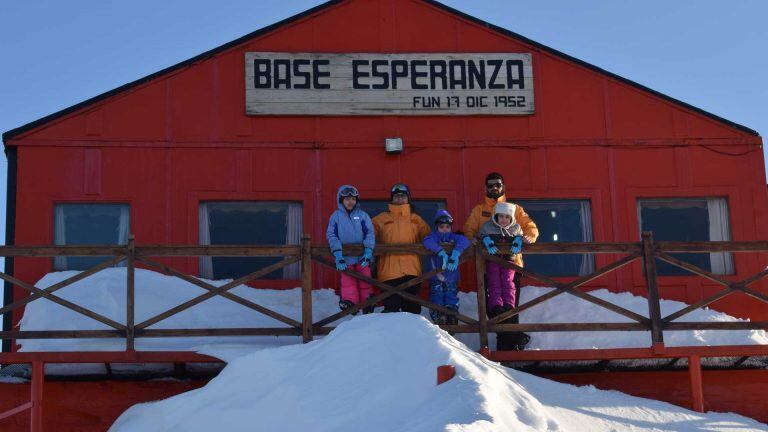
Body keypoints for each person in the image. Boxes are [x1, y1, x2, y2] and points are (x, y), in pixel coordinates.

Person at [463, 172, 538, 350]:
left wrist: (527, 238)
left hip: (512, 264)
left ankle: (507, 351)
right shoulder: (479, 210)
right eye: (490, 185)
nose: (494, 188)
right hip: (488, 266)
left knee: (510, 307)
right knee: (494, 308)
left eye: (498, 184)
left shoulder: (515, 209)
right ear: (485, 188)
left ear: (504, 186)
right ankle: (516, 338)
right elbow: (469, 230)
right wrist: (473, 240)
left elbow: (530, 228)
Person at [372, 183, 431, 314]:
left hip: (412, 271)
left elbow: (430, 238)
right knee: (391, 311)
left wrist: (448, 238)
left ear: (408, 198)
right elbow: (365, 235)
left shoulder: (416, 219)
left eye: (403, 196)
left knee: (412, 311)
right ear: (392, 199)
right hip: (388, 273)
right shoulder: (381, 219)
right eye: (396, 196)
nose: (400, 198)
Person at [326, 184, 376, 314]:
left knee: (365, 279)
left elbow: (369, 233)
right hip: (345, 257)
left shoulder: (362, 216)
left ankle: (367, 302)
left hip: (362, 256)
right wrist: (337, 254)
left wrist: (368, 250)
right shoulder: (335, 216)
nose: (350, 202)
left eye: (353, 199)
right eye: (347, 199)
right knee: (348, 281)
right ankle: (351, 303)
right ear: (341, 200)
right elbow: (332, 235)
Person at [422, 209, 470, 325]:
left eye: (447, 227)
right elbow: (427, 241)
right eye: (442, 226)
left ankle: (452, 316)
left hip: (451, 277)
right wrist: (441, 252)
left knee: (451, 296)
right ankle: (438, 316)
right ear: (436, 227)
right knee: (437, 295)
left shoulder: (453, 237)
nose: (445, 229)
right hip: (436, 276)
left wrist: (455, 253)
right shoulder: (433, 236)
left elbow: (465, 240)